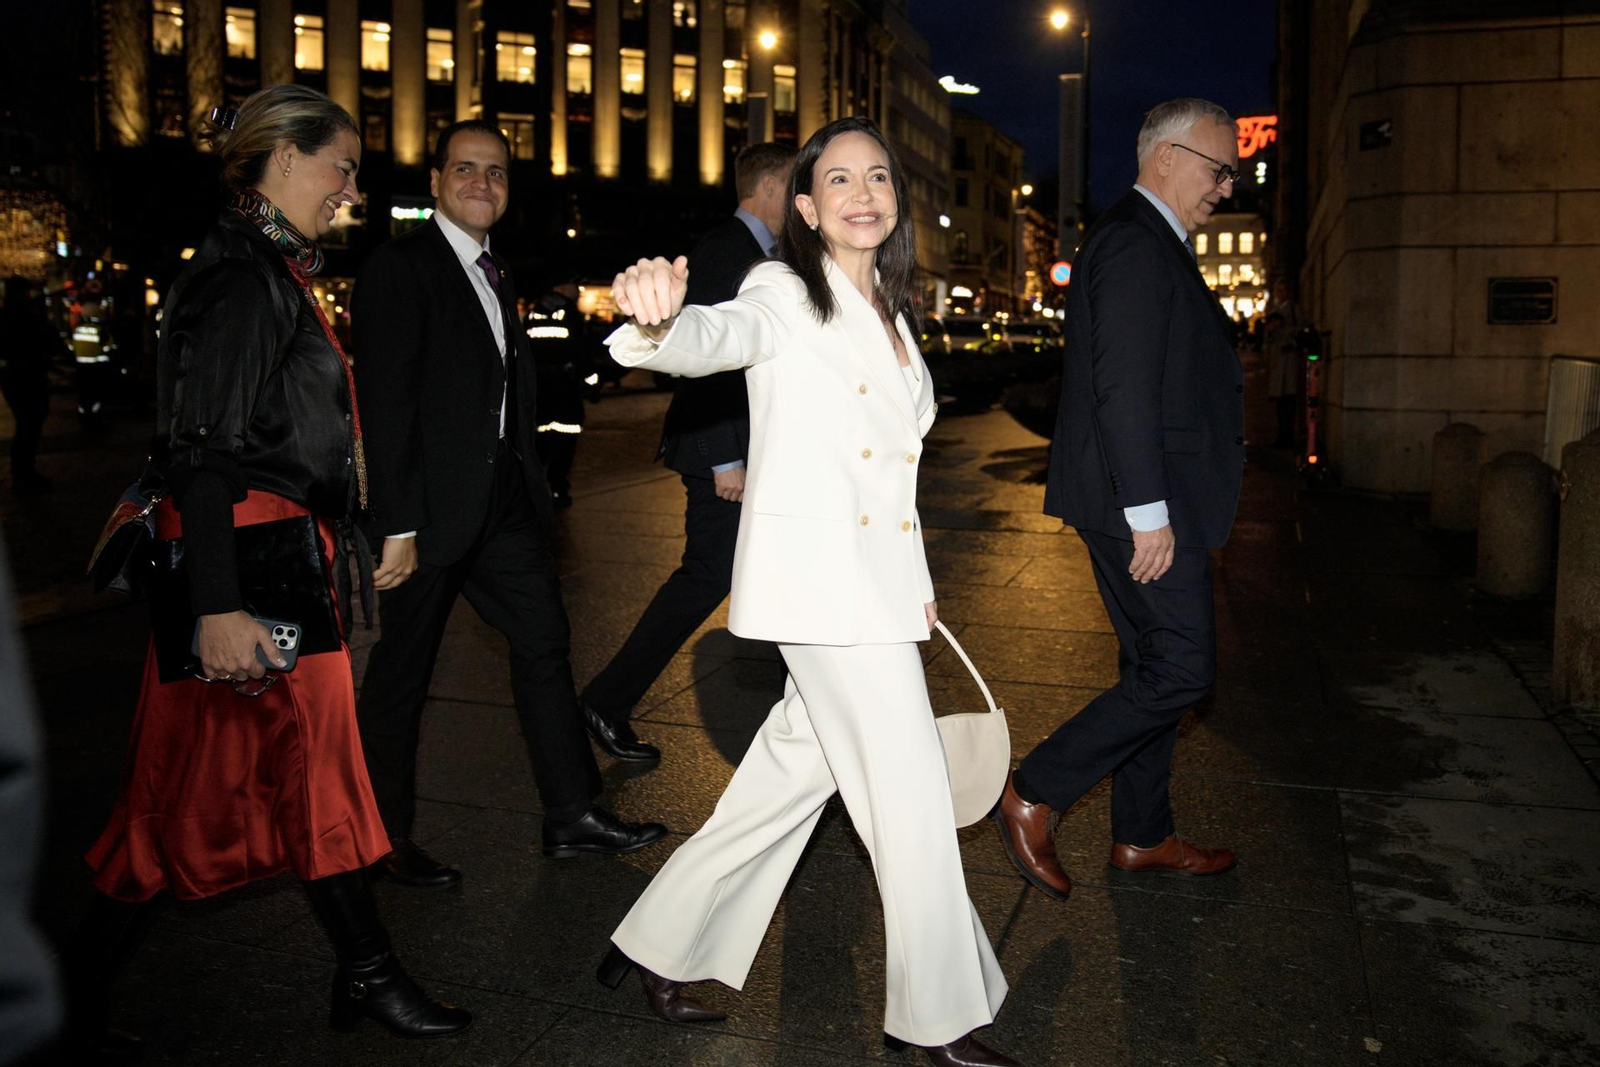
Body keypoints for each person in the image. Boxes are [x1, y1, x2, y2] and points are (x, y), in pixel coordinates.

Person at [595, 117, 1023, 1067]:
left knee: (786, 784)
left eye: (879, 176)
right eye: (839, 180)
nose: (863, 193)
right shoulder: (784, 290)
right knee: (908, 797)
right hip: (823, 594)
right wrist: (658, 320)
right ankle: (940, 1015)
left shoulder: (894, 314)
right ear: (805, 207)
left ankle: (658, 940)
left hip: (876, 591)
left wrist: (915, 587)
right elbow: (717, 335)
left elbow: (889, 481)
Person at [75, 85, 470, 1050]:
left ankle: (64, 988)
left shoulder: (260, 268)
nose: (352, 191)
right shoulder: (243, 279)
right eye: (343, 167)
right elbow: (204, 452)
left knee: (182, 794)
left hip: (265, 558)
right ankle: (371, 974)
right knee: (311, 771)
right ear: (285, 157)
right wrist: (218, 606)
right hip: (253, 566)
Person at [352, 119, 667, 890]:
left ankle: (572, 813)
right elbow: (385, 400)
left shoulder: (495, 270)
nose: (481, 183)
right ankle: (377, 839)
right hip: (427, 512)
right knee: (402, 675)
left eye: (494, 172)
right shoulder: (400, 266)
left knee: (544, 642)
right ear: (435, 182)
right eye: (465, 168)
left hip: (502, 503)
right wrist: (397, 524)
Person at [992, 97, 1245, 902]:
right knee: (1183, 669)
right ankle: (1035, 789)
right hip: (1141, 500)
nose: (1227, 188)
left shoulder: (1146, 238)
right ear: (1168, 156)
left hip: (1144, 494)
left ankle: (1141, 832)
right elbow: (1123, 386)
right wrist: (1149, 514)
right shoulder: (1136, 241)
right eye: (1220, 169)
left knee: (1153, 662)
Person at [579, 141, 796, 765]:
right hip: (721, 453)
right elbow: (703, 361)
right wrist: (725, 459)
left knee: (748, 576)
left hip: (740, 451)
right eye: (796, 185)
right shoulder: (730, 251)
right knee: (707, 575)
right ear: (770, 188)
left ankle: (808, 722)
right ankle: (607, 699)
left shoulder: (756, 253)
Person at [525, 279, 591, 507]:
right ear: (560, 288)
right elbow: (580, 350)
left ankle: (532, 491)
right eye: (574, 286)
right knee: (565, 440)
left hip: (539, 388)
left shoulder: (534, 312)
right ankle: (558, 489)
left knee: (538, 441)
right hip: (564, 388)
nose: (578, 291)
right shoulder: (569, 313)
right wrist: (591, 381)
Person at [0, 276, 60, 493]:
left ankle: (22, 470)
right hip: (27, 375)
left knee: (26, 423)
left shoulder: (8, 314)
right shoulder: (26, 314)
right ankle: (23, 471)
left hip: (15, 375)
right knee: (29, 423)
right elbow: (47, 339)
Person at [1263, 279, 1306, 448]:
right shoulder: (1275, 310)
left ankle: (1288, 435)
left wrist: (1285, 330)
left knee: (1289, 398)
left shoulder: (1294, 309)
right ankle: (1282, 435)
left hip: (1289, 359)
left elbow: (1302, 328)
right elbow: (1268, 337)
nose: (1280, 294)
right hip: (1278, 360)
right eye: (1278, 291)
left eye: (1283, 291)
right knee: (1280, 401)